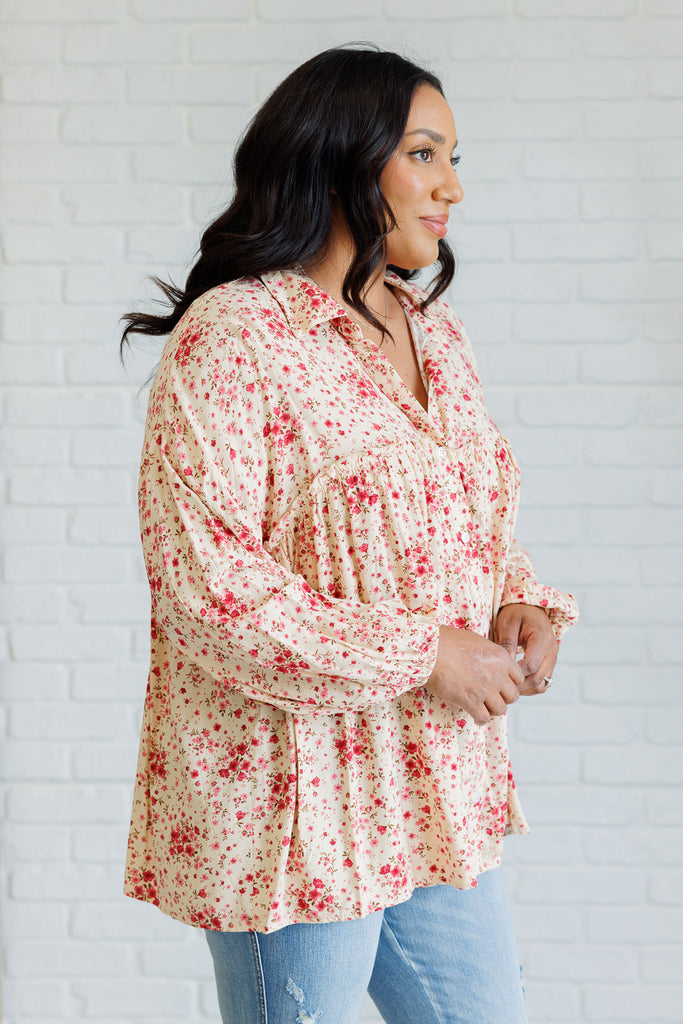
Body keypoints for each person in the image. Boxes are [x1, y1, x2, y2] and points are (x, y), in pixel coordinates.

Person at [121, 44, 578, 1024]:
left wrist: (519, 601)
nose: (451, 186)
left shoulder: (432, 331)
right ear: (339, 157)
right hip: (294, 803)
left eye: (452, 157)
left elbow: (466, 518)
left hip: (429, 787)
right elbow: (209, 589)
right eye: (423, 153)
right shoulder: (235, 337)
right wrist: (425, 652)